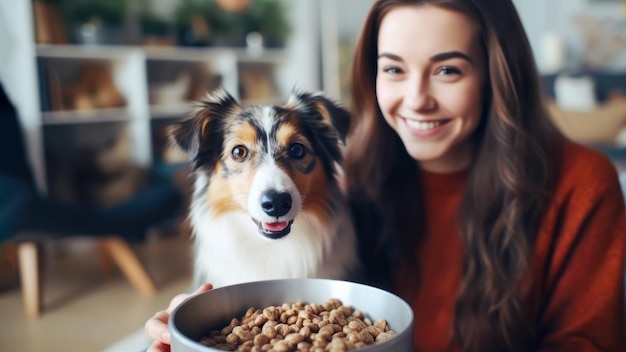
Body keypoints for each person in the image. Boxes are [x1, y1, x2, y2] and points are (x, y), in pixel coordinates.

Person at [144, 0, 626, 351]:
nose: (416, 99)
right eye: (393, 69)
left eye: (448, 71)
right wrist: (195, 332)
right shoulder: (353, 175)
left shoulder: (582, 184)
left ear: (498, 73)